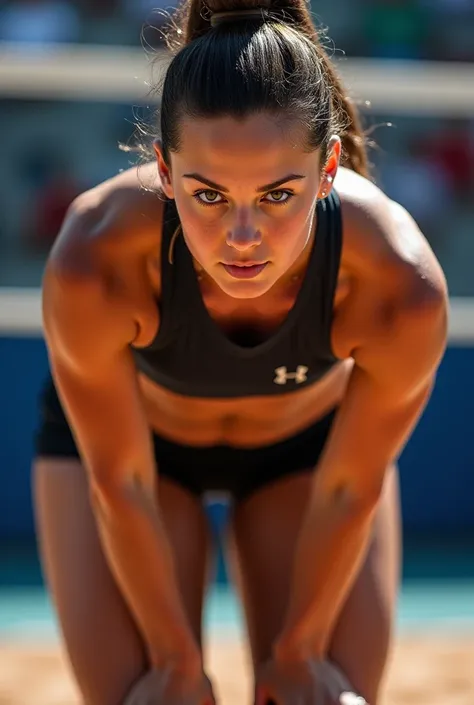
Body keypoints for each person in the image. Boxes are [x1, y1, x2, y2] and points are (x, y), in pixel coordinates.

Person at [32, 0, 448, 704]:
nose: (244, 236)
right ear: (164, 170)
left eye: (280, 194)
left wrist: (300, 648)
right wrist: (176, 659)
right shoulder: (96, 258)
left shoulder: (397, 283)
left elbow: (350, 486)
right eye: (210, 194)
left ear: (329, 169)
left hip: (306, 459)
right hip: (138, 463)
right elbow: (121, 483)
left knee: (324, 692)